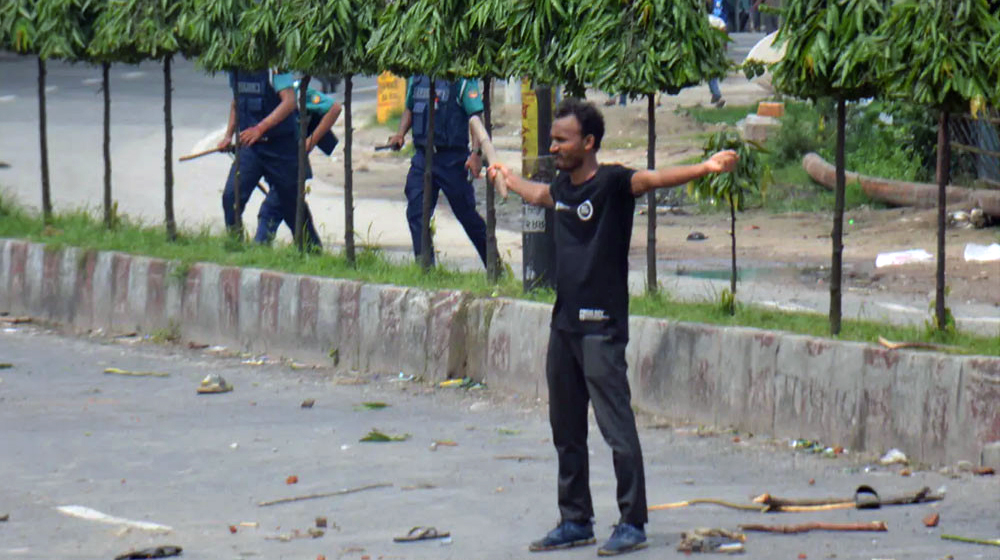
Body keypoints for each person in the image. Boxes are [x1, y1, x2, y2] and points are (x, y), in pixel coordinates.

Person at [487, 100, 737, 556]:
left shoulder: (615, 184)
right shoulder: (562, 188)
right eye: (553, 139)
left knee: (616, 428)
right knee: (565, 429)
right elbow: (536, 193)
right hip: (563, 327)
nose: (554, 146)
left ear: (589, 142)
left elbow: (655, 178)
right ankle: (575, 520)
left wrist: (705, 166)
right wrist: (504, 174)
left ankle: (632, 522)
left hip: (602, 328)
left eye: (562, 140)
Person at [386, 76, 488, 266]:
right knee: (416, 213)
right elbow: (410, 107)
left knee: (466, 215)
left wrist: (476, 154)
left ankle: (494, 266)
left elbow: (475, 118)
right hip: (423, 157)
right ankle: (425, 269)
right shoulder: (417, 78)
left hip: (452, 159)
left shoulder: (461, 79)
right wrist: (400, 134)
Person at [217, 69, 323, 248]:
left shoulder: (273, 66)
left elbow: (289, 102)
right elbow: (237, 103)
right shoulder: (236, 68)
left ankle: (311, 250)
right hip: (252, 148)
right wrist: (228, 136)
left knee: (292, 206)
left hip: (280, 147)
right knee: (231, 197)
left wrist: (260, 128)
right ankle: (236, 247)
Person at [254, 84, 343, 245]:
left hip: (292, 166)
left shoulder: (298, 92)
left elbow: (334, 108)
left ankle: (259, 248)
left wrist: (310, 141)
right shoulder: (260, 97)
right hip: (273, 164)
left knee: (270, 211)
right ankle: (312, 250)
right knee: (296, 212)